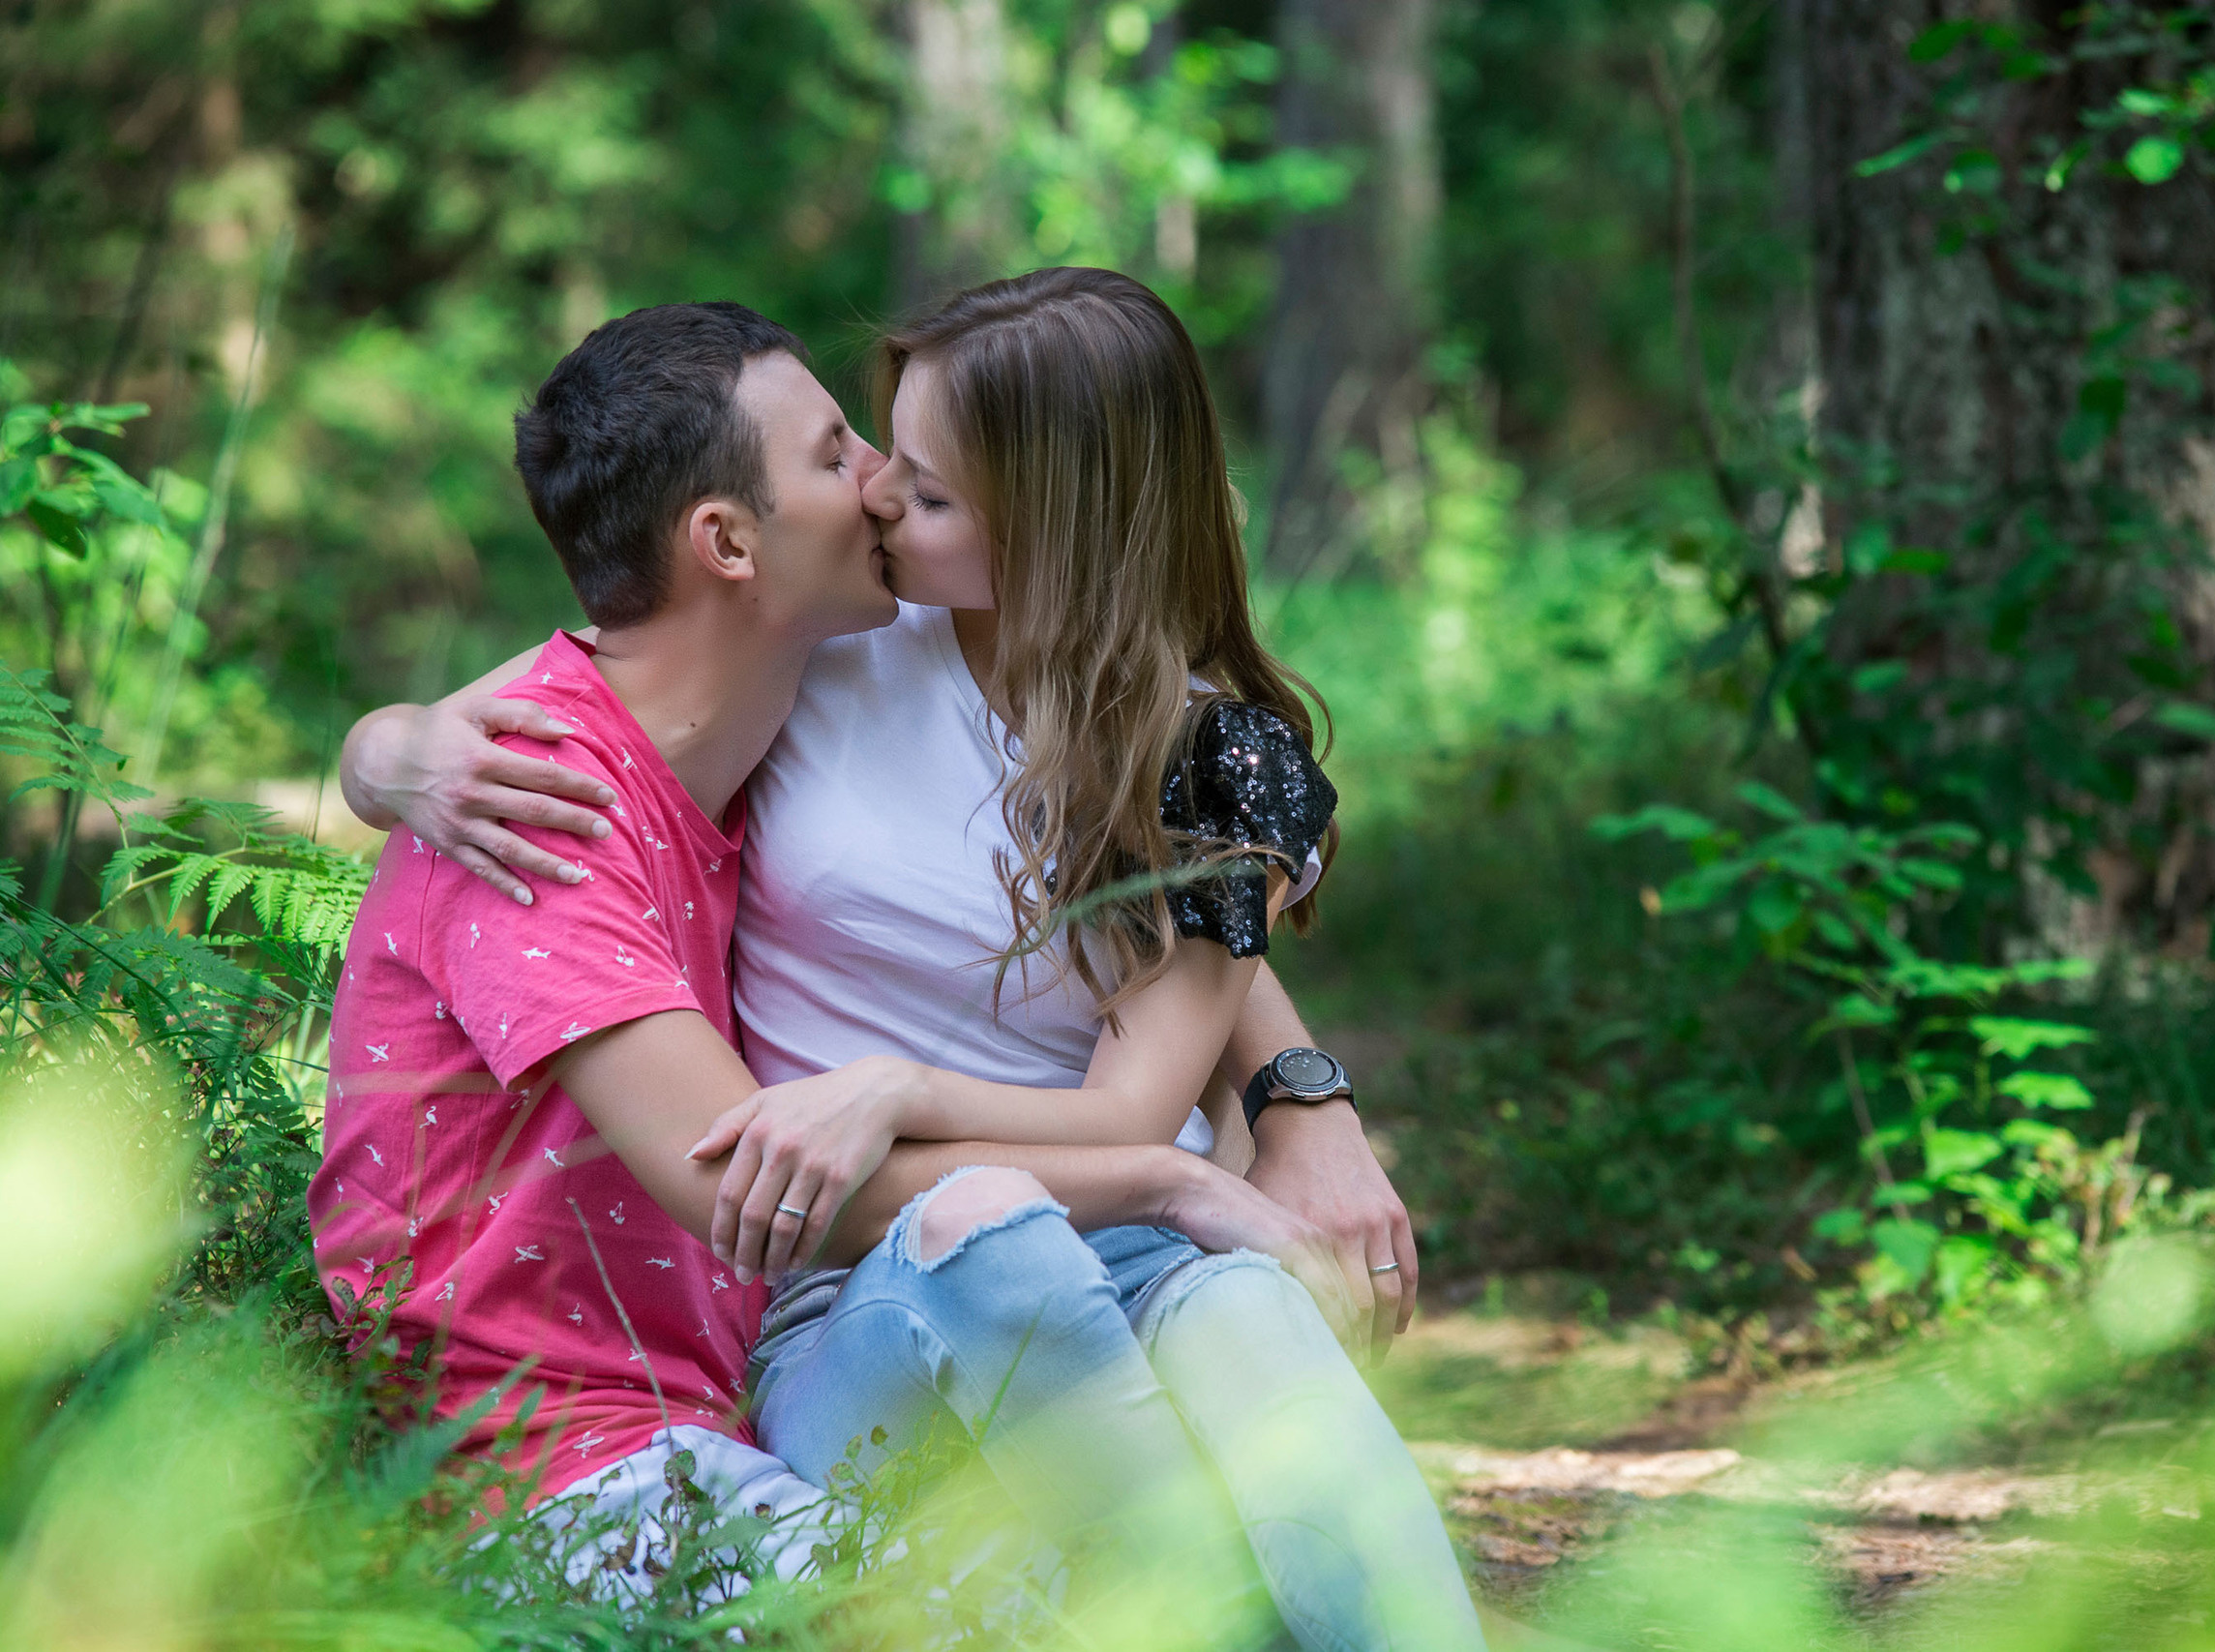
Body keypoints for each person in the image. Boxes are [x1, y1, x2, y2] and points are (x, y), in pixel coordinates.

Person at [343, 272, 1487, 1648]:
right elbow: (557, 712)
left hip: (999, 1291)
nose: (879, 489)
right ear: (734, 541)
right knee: (987, 1260)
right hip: (769, 1346)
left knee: (1243, 1313)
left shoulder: (1125, 738)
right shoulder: (706, 717)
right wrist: (388, 751)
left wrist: (1305, 1096)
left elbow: (1174, 928)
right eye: (850, 452)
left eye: (914, 479)